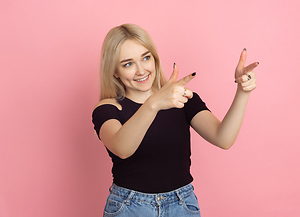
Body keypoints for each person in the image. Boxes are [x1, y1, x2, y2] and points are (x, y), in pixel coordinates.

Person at [92, 23, 258, 217]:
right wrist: (153, 104)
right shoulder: (108, 109)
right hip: (130, 207)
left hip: (182, 205)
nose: (140, 70)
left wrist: (242, 91)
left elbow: (224, 138)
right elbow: (122, 148)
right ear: (115, 71)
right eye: (128, 64)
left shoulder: (183, 99)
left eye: (146, 58)